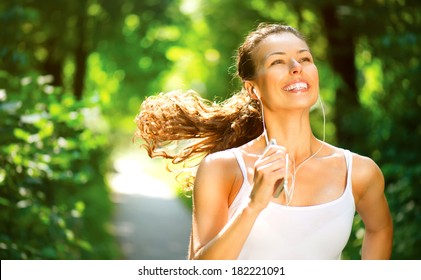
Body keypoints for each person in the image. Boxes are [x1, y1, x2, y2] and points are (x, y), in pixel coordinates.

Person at [135, 23, 393, 260]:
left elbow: (380, 229)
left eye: (305, 58)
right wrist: (253, 205)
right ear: (252, 89)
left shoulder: (359, 171)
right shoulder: (222, 169)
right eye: (277, 62)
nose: (296, 66)